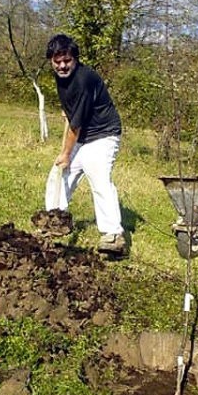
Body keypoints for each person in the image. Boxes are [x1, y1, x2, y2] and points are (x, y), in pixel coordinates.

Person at [45, 33, 126, 254]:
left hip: (103, 133)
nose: (62, 65)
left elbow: (75, 125)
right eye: (57, 61)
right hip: (83, 134)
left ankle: (113, 236)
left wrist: (65, 153)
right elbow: (73, 113)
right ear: (51, 60)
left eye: (67, 60)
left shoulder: (83, 78)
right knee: (58, 176)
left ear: (75, 59)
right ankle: (55, 221)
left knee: (98, 175)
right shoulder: (62, 77)